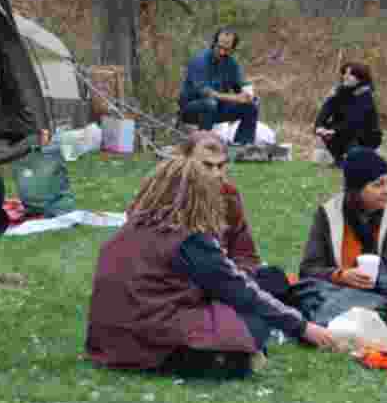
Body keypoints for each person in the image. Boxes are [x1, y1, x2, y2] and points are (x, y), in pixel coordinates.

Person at [85, 156, 335, 379]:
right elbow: (239, 291)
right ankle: (225, 360)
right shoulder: (187, 239)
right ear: (200, 196)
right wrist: (303, 327)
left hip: (108, 340)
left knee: (266, 284)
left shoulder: (129, 230)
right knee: (256, 323)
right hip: (150, 337)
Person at [298, 147, 387, 336]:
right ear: (357, 190)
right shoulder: (328, 214)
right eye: (378, 185)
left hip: (386, 295)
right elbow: (309, 268)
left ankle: (344, 325)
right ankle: (353, 326)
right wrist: (341, 275)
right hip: (338, 292)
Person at [179, 130, 260, 273]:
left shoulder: (228, 195)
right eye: (207, 165)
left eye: (221, 166)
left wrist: (240, 277)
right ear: (185, 163)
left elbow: (245, 254)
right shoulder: (165, 195)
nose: (216, 174)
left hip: (223, 279)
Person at [178, 27, 259, 146]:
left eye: (227, 49)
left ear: (233, 49)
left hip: (218, 108)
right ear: (214, 43)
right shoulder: (200, 61)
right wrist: (235, 98)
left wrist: (248, 94)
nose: (222, 52)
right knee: (209, 103)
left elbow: (241, 85)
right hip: (192, 109)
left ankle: (242, 146)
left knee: (251, 106)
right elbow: (205, 92)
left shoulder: (231, 64)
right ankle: (203, 145)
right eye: (219, 47)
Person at [314, 62, 383, 165]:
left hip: (365, 135)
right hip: (343, 130)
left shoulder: (365, 94)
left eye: (350, 74)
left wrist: (334, 131)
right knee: (326, 129)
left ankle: (357, 160)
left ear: (360, 78)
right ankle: (339, 160)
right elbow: (326, 110)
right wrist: (319, 126)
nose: (345, 76)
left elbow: (354, 121)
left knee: (351, 135)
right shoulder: (339, 91)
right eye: (344, 73)